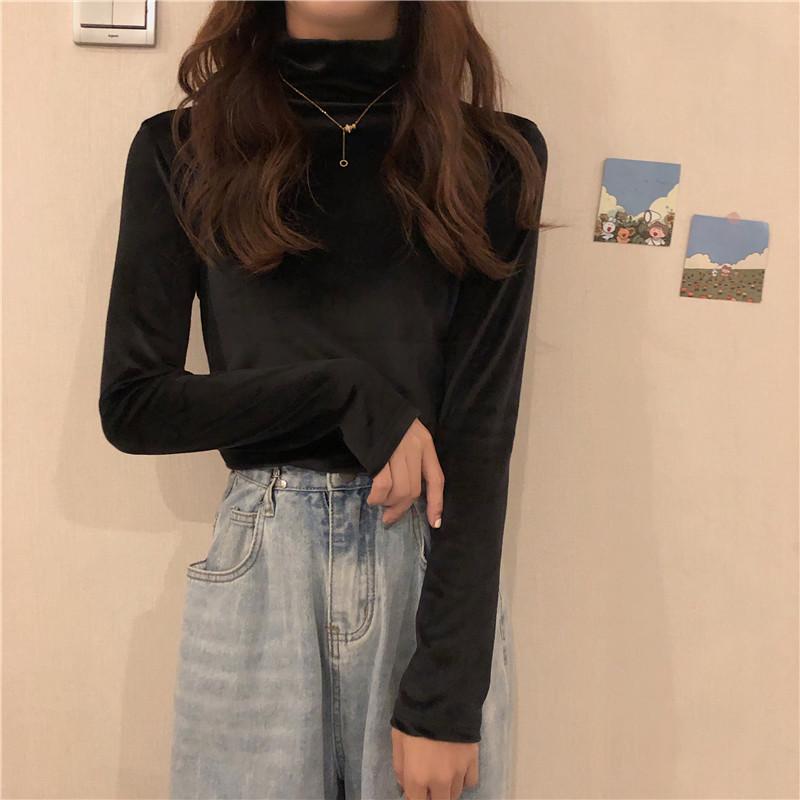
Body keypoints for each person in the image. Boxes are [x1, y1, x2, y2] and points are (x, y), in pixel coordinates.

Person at [98, 1, 547, 797]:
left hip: (429, 572)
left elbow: (481, 435)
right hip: (263, 573)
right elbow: (136, 405)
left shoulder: (491, 156)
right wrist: (343, 392)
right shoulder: (184, 148)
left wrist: (445, 697)